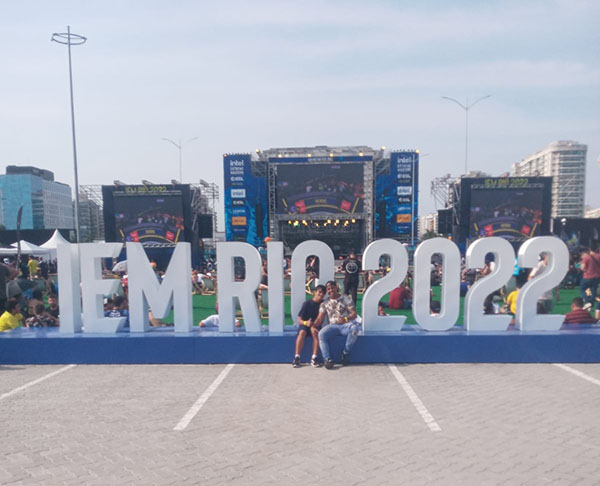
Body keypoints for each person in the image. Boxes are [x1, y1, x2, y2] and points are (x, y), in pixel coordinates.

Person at [316, 280, 362, 369]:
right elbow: (319, 318)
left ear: (336, 287)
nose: (331, 290)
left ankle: (345, 352)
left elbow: (354, 314)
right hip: (332, 326)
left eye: (332, 288)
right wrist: (311, 325)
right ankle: (327, 359)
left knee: (354, 329)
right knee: (321, 334)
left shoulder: (346, 299)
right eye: (328, 289)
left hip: (345, 325)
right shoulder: (324, 303)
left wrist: (346, 319)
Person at [292, 284, 326, 368]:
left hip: (315, 325)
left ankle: (314, 358)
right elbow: (299, 320)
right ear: (314, 292)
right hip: (305, 324)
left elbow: (320, 319)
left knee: (316, 334)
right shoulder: (307, 303)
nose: (321, 294)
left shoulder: (323, 304)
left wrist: (312, 326)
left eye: (323, 293)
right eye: (320, 292)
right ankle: (297, 357)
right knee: (302, 332)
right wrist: (305, 323)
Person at [579, 241, 600, 308]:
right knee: (593, 289)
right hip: (597, 276)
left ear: (589, 249)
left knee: (582, 289)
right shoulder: (599, 256)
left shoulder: (586, 257)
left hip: (587, 276)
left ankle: (588, 301)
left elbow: (582, 268)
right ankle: (591, 303)